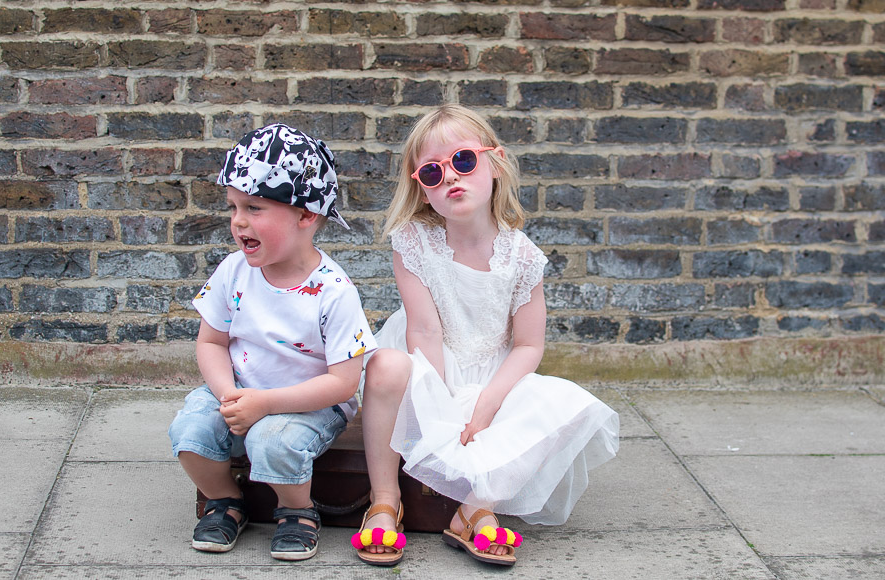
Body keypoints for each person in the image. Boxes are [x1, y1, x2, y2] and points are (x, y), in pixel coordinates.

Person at [352, 105, 620, 567]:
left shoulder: (523, 257)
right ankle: (383, 498)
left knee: (541, 405)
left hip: (494, 368)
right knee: (385, 370)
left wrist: (488, 400)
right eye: (432, 172)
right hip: (424, 358)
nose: (450, 178)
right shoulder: (414, 241)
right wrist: (441, 402)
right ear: (420, 187)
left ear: (494, 164)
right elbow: (425, 329)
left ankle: (476, 508)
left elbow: (528, 346)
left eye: (463, 161)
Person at [169, 123, 377, 561]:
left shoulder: (334, 291)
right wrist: (229, 395)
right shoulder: (233, 271)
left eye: (255, 207)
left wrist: (263, 405)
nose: (239, 221)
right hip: (239, 387)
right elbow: (211, 342)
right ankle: (226, 500)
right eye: (233, 207)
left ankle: (297, 511)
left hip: (311, 400)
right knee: (189, 431)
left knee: (272, 439)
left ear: (306, 216)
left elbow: (343, 382)